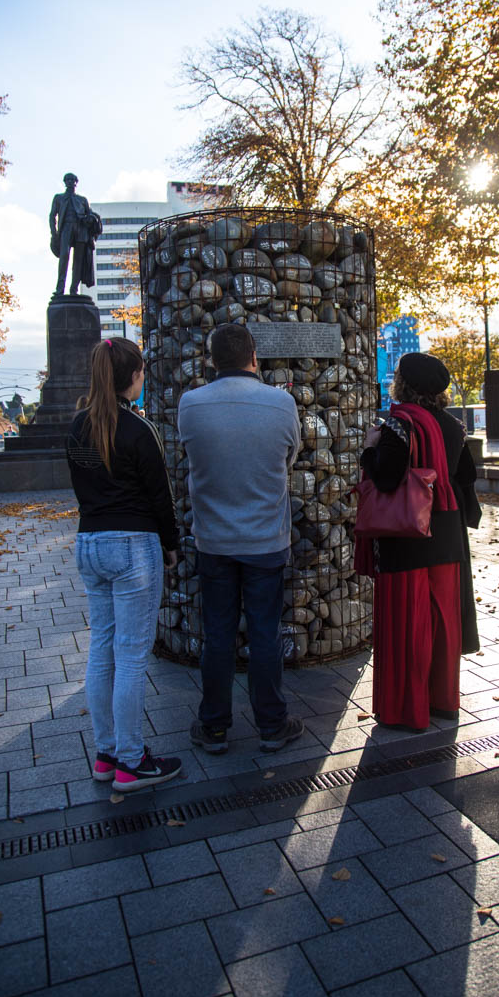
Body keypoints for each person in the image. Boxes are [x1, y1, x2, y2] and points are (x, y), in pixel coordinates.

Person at [177, 323, 303, 754]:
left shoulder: (190, 404)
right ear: (255, 358)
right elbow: (290, 457)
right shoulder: (281, 404)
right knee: (265, 633)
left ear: (212, 360)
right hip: (266, 539)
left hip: (213, 541)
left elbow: (188, 457)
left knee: (217, 634)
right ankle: (272, 725)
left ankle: (213, 726)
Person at [66, 337, 182, 792]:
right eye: (141, 373)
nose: (144, 380)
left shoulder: (77, 428)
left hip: (90, 543)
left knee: (103, 649)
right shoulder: (137, 430)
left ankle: (107, 753)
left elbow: (83, 487)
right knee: (132, 655)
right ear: (130, 377)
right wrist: (170, 545)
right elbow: (160, 496)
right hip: (132, 544)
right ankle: (132, 761)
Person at [357, 352, 481, 731]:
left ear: (405, 385)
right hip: (446, 537)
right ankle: (443, 702)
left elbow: (387, 479)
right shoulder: (454, 426)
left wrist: (368, 448)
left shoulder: (399, 424)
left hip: (406, 536)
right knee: (444, 622)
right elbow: (467, 479)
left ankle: (406, 709)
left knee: (407, 625)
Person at [49, 172, 96, 296]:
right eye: (67, 179)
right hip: (66, 229)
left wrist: (90, 219)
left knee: (78, 261)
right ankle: (60, 289)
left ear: (76, 182)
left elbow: (89, 213)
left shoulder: (82, 199)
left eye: (72, 179)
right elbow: (52, 215)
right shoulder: (58, 198)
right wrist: (54, 233)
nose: (70, 181)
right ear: (64, 182)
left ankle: (73, 290)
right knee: (64, 257)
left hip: (80, 230)